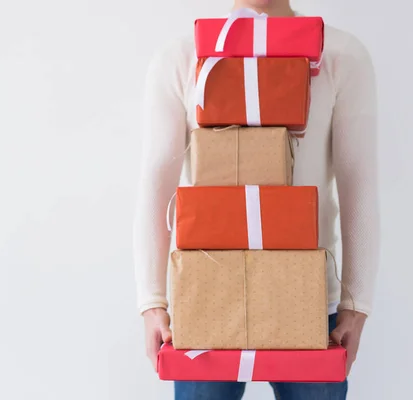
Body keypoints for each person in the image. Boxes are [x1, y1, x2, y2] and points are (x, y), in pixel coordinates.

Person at [132, 0, 380, 398]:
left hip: (312, 300)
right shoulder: (180, 58)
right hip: (206, 295)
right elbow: (155, 184)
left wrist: (357, 303)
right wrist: (151, 301)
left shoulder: (341, 55)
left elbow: (359, 185)